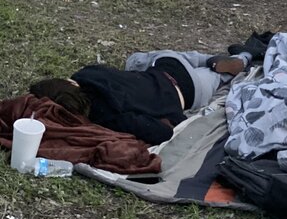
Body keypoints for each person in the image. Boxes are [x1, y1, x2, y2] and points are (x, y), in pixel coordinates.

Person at [29, 49, 252, 147]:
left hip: (189, 90)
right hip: (167, 65)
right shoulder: (88, 73)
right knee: (136, 60)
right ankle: (216, 59)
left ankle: (239, 59)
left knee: (217, 77)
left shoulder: (106, 116)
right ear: (70, 83)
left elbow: (160, 131)